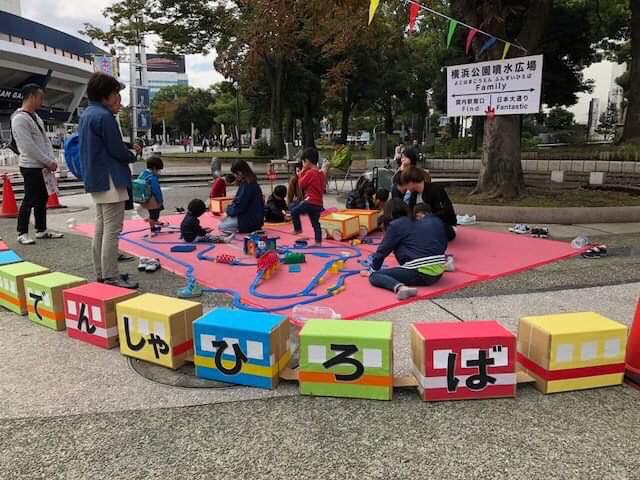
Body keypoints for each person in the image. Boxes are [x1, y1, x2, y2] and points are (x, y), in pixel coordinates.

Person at [78, 72, 141, 289]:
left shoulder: (87, 114)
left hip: (96, 178)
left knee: (101, 228)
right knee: (112, 230)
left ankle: (102, 273)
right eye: (115, 93)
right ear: (105, 94)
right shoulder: (104, 116)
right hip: (111, 178)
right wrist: (133, 154)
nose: (117, 98)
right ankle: (111, 276)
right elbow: (116, 150)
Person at [11, 83, 64, 245]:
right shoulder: (19, 119)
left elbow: (44, 141)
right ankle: (22, 232)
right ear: (32, 97)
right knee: (30, 198)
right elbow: (28, 146)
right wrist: (48, 161)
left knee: (42, 197)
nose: (42, 101)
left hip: (42, 165)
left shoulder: (35, 116)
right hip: (30, 165)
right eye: (40, 98)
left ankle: (41, 229)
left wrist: (50, 160)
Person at [368, 199, 448, 300]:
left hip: (421, 273)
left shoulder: (396, 225)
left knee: (375, 276)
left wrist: (373, 270)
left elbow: (382, 251)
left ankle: (400, 288)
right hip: (439, 272)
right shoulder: (426, 222)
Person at [399, 166, 458, 241]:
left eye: (405, 184)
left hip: (442, 224)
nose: (405, 187)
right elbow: (410, 211)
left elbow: (446, 212)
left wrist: (426, 216)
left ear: (411, 182)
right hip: (422, 225)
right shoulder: (414, 194)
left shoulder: (436, 190)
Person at [219, 160, 264, 234]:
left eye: (235, 174)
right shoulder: (249, 182)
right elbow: (238, 202)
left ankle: (246, 228)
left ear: (239, 172)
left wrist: (228, 212)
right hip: (253, 216)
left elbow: (240, 205)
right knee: (224, 220)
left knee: (222, 226)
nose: (235, 176)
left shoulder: (247, 185)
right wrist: (229, 210)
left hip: (250, 218)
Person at [291, 148, 325, 245]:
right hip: (318, 202)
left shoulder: (310, 173)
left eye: (303, 162)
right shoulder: (321, 173)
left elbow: (301, 184)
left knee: (294, 211)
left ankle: (298, 229)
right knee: (315, 223)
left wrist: (301, 173)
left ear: (307, 161)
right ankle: (318, 242)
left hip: (310, 200)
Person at [136, 156, 164, 233]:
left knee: (152, 212)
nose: (159, 172)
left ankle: (154, 221)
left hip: (144, 198)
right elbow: (156, 190)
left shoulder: (142, 174)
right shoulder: (152, 178)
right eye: (158, 170)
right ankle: (153, 227)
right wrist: (160, 200)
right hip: (152, 200)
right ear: (154, 168)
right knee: (154, 214)